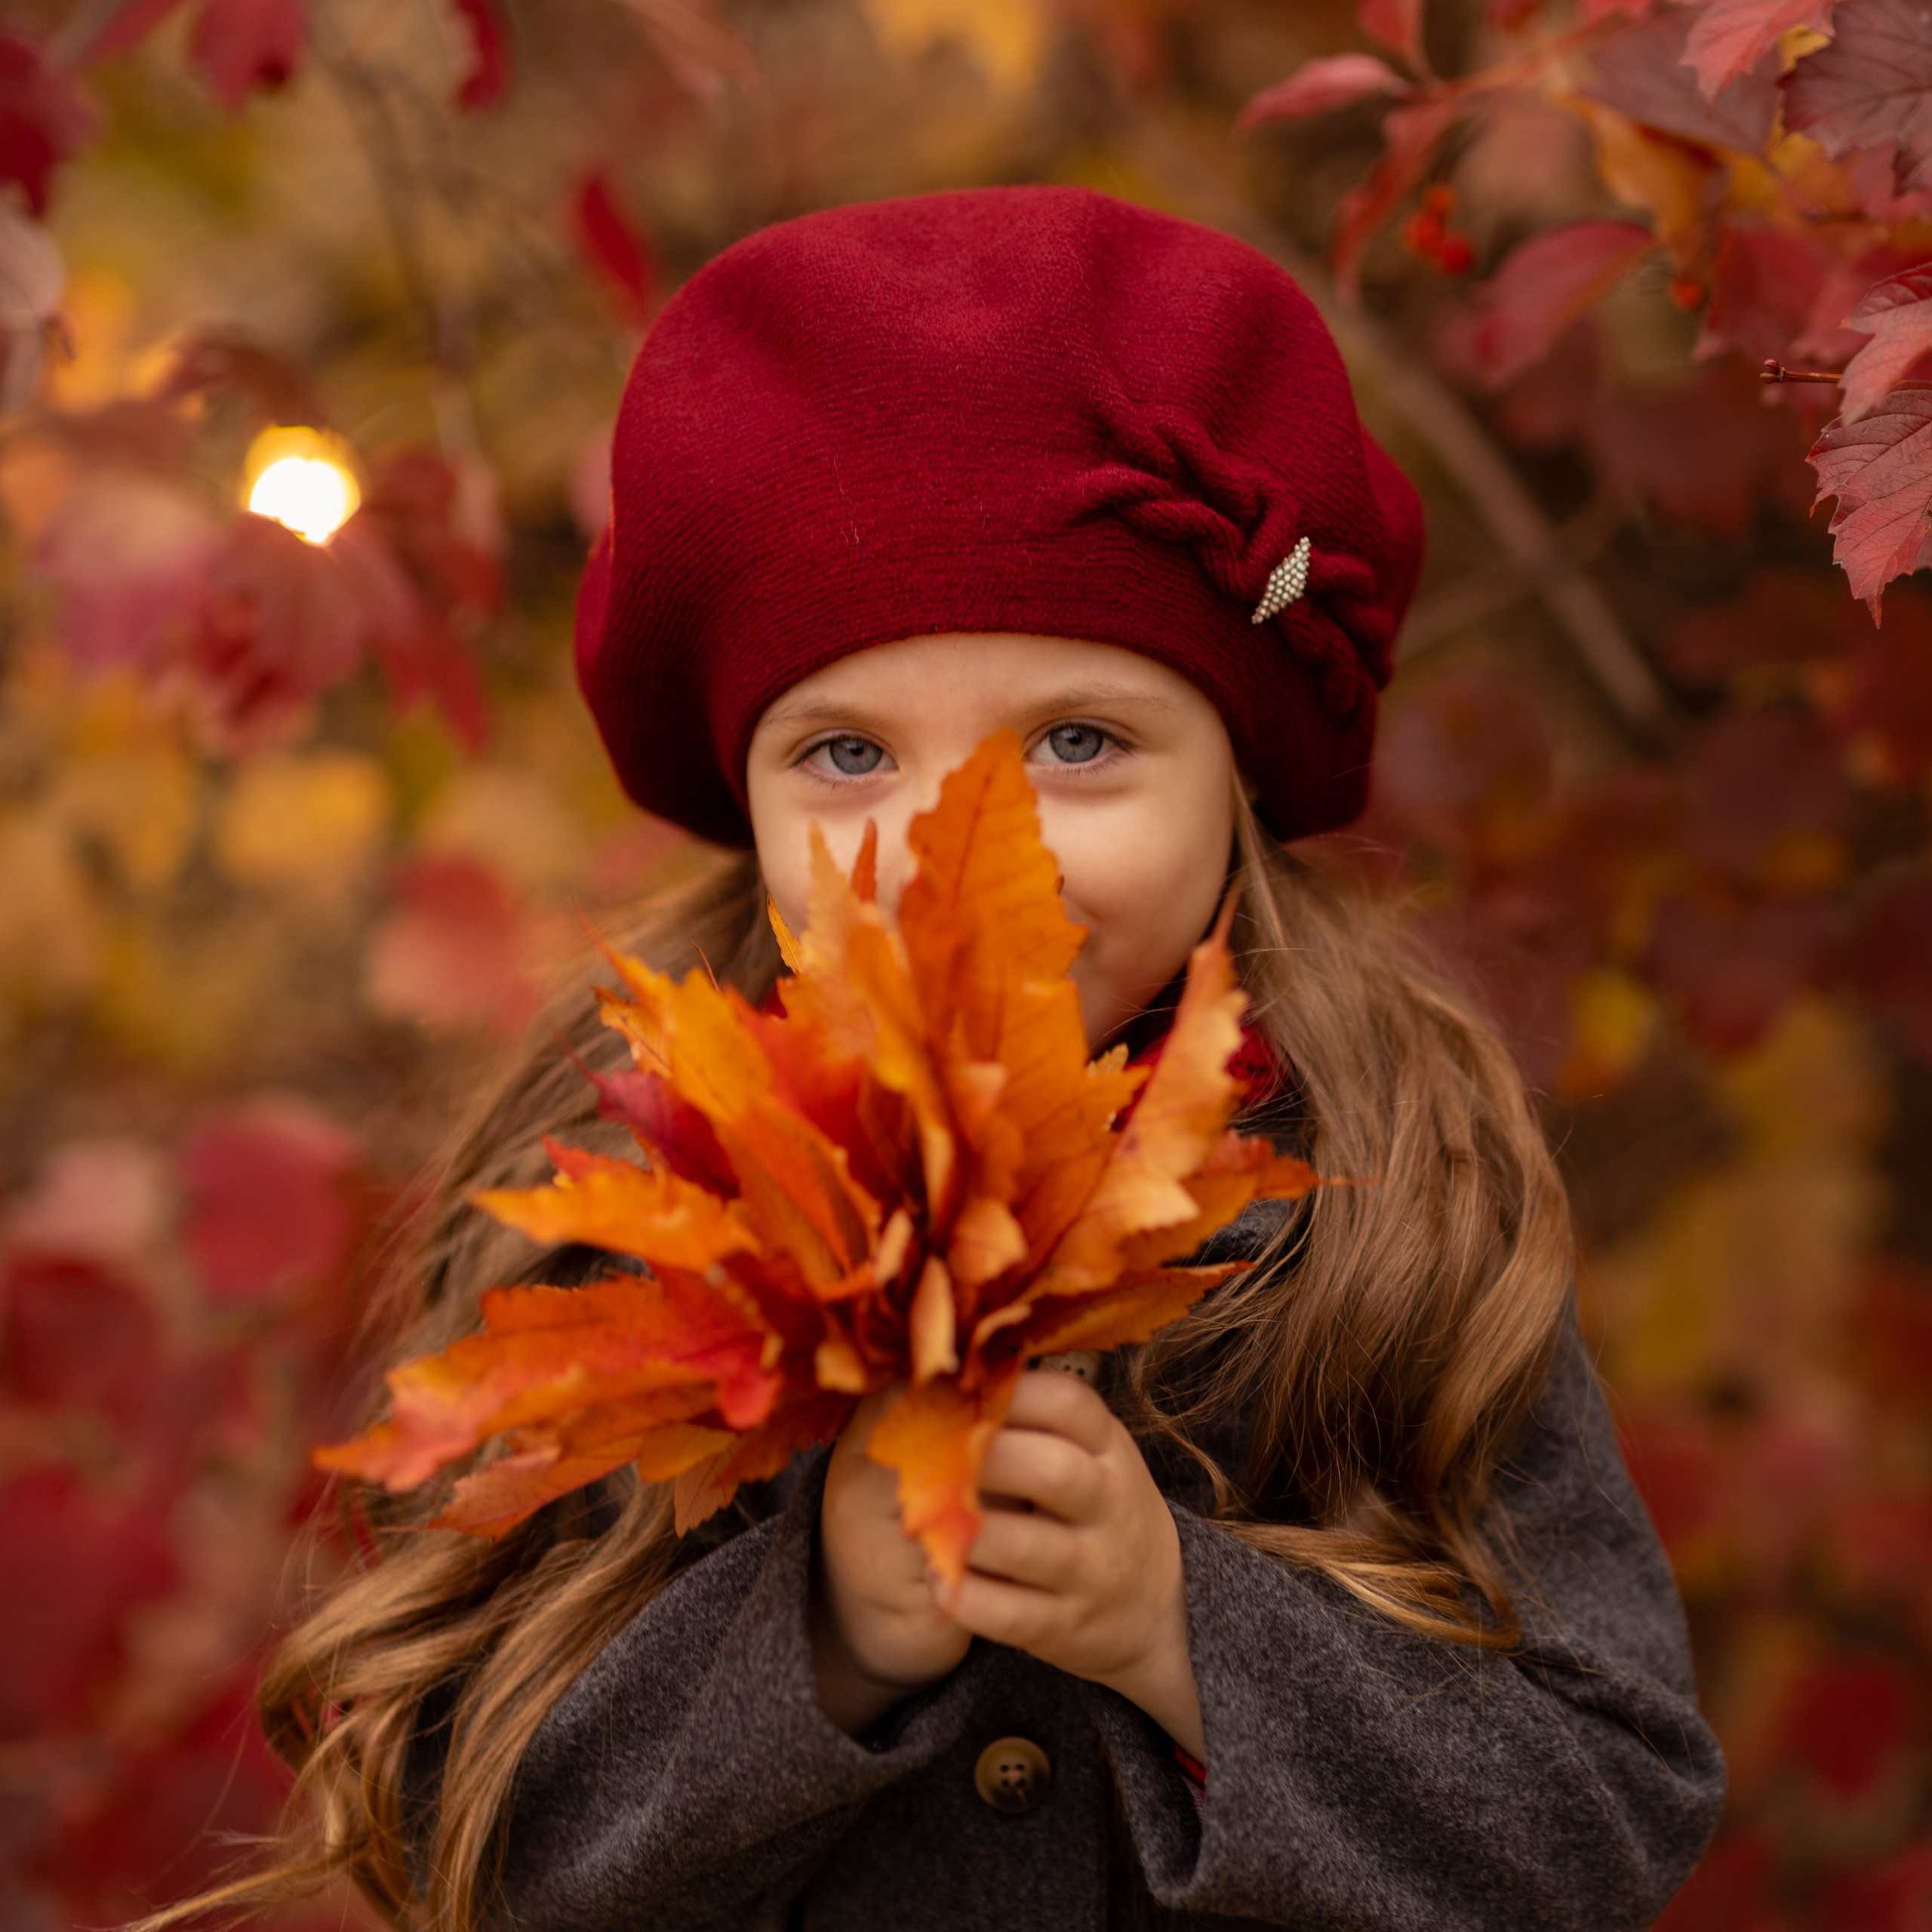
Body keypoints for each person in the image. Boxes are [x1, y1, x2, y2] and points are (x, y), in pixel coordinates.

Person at [189, 186, 1725, 1930]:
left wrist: (1185, 1634)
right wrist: (818, 1641)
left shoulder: (1391, 1195)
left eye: (1076, 739)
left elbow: (1609, 1805)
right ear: (747, 805)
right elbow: (457, 1817)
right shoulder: (637, 1190)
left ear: (1238, 773)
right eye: (847, 754)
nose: (956, 842)